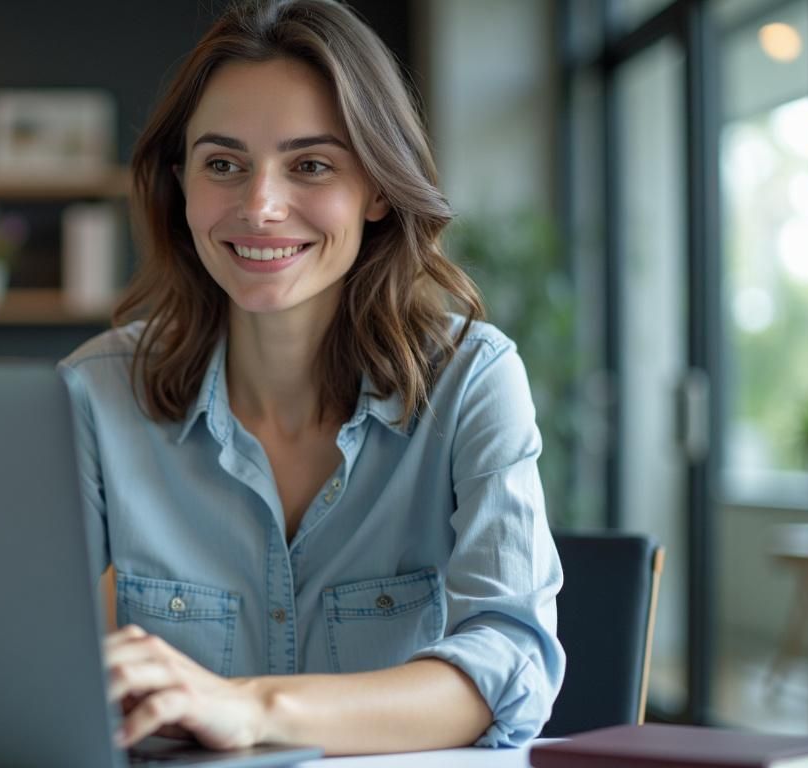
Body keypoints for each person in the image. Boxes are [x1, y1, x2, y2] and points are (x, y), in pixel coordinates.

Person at [57, 0, 564, 755]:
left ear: (380, 189)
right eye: (223, 164)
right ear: (182, 186)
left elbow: (510, 662)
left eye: (312, 165)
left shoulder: (472, 380)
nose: (259, 206)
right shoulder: (91, 396)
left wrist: (254, 706)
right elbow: (19, 657)